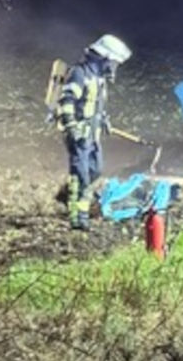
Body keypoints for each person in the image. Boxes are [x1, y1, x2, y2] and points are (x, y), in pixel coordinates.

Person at [54, 34, 132, 231]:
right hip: (79, 134)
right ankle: (77, 216)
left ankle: (76, 205)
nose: (114, 68)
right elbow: (67, 100)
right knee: (79, 174)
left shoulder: (99, 79)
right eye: (113, 63)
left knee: (95, 170)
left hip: (92, 135)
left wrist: (104, 119)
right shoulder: (80, 74)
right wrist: (71, 126)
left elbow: (97, 105)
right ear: (104, 58)